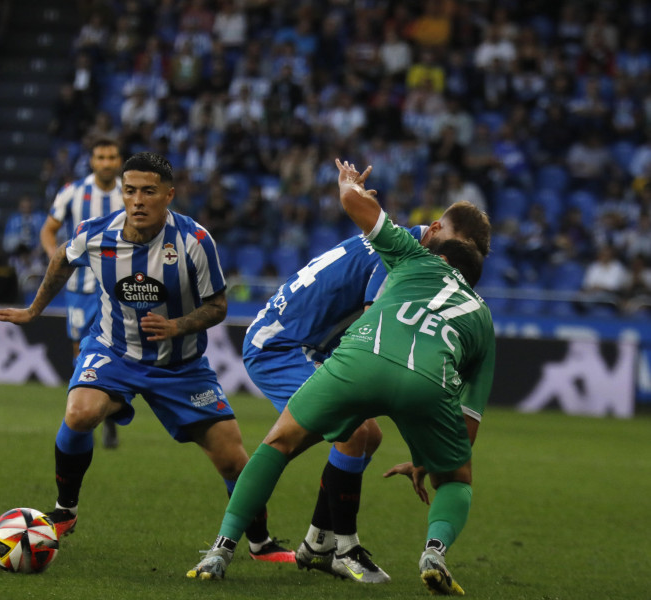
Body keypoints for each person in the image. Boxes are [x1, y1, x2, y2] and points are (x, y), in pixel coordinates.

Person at [188, 160, 494, 597]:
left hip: (315, 343)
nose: (452, 262)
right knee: (355, 433)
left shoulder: (403, 243)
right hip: (285, 343)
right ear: (437, 228)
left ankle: (316, 541)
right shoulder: (406, 256)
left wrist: (349, 186)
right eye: (454, 247)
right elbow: (373, 326)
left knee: (364, 436)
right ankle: (343, 548)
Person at [0, 152, 293, 564]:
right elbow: (61, 259)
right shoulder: (96, 234)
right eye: (130, 191)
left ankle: (260, 543)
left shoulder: (194, 241)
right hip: (115, 351)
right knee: (79, 413)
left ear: (169, 195)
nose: (138, 200)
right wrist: (33, 311)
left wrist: (177, 326)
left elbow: (218, 306)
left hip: (181, 367)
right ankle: (65, 511)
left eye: (149, 192)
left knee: (233, 458)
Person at [39, 137, 124, 449]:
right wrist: (57, 259)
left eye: (111, 156)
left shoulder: (129, 193)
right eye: (100, 157)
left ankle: (111, 416)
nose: (106, 162)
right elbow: (48, 230)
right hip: (79, 288)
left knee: (114, 351)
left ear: (119, 160)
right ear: (92, 161)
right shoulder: (73, 192)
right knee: (80, 353)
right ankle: (83, 418)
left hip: (117, 289)